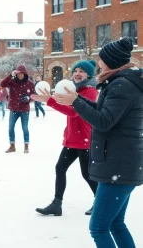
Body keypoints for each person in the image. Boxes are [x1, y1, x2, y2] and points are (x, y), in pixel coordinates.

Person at [53, 37, 143, 248]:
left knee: (99, 227)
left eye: (101, 60)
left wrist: (75, 101)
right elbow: (102, 112)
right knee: (116, 224)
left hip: (118, 165)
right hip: (120, 164)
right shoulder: (121, 83)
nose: (98, 64)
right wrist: (77, 99)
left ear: (111, 62)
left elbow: (103, 121)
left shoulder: (122, 85)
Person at [32, 60, 98, 216]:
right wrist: (50, 97)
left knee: (87, 174)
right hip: (72, 138)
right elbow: (65, 106)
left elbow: (74, 112)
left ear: (88, 74)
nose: (77, 73)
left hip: (85, 139)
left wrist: (49, 101)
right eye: (75, 70)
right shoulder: (71, 89)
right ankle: (56, 204)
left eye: (81, 71)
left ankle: (101, 202)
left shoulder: (90, 91)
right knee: (60, 168)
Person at [1, 65, 35, 153]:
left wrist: (29, 99)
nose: (20, 75)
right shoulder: (12, 81)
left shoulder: (30, 83)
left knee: (25, 128)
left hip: (24, 109)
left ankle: (26, 146)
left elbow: (34, 95)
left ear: (25, 74)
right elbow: (2, 84)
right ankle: (12, 146)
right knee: (11, 128)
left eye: (22, 73)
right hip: (14, 109)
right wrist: (10, 75)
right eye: (18, 73)